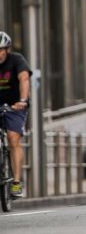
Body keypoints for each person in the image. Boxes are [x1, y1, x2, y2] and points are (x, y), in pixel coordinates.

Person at [0, 31, 31, 198]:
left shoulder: (16, 60)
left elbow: (24, 79)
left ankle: (16, 182)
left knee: (13, 138)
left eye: (1, 50)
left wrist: (23, 100)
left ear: (7, 50)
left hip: (15, 106)